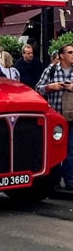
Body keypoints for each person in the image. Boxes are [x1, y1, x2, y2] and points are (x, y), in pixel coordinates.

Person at [36, 43, 73, 190]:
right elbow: (37, 89)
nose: (72, 55)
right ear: (62, 55)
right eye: (70, 52)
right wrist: (50, 86)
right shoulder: (50, 71)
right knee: (55, 149)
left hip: (71, 118)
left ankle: (69, 180)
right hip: (55, 119)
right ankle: (55, 180)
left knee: (71, 150)